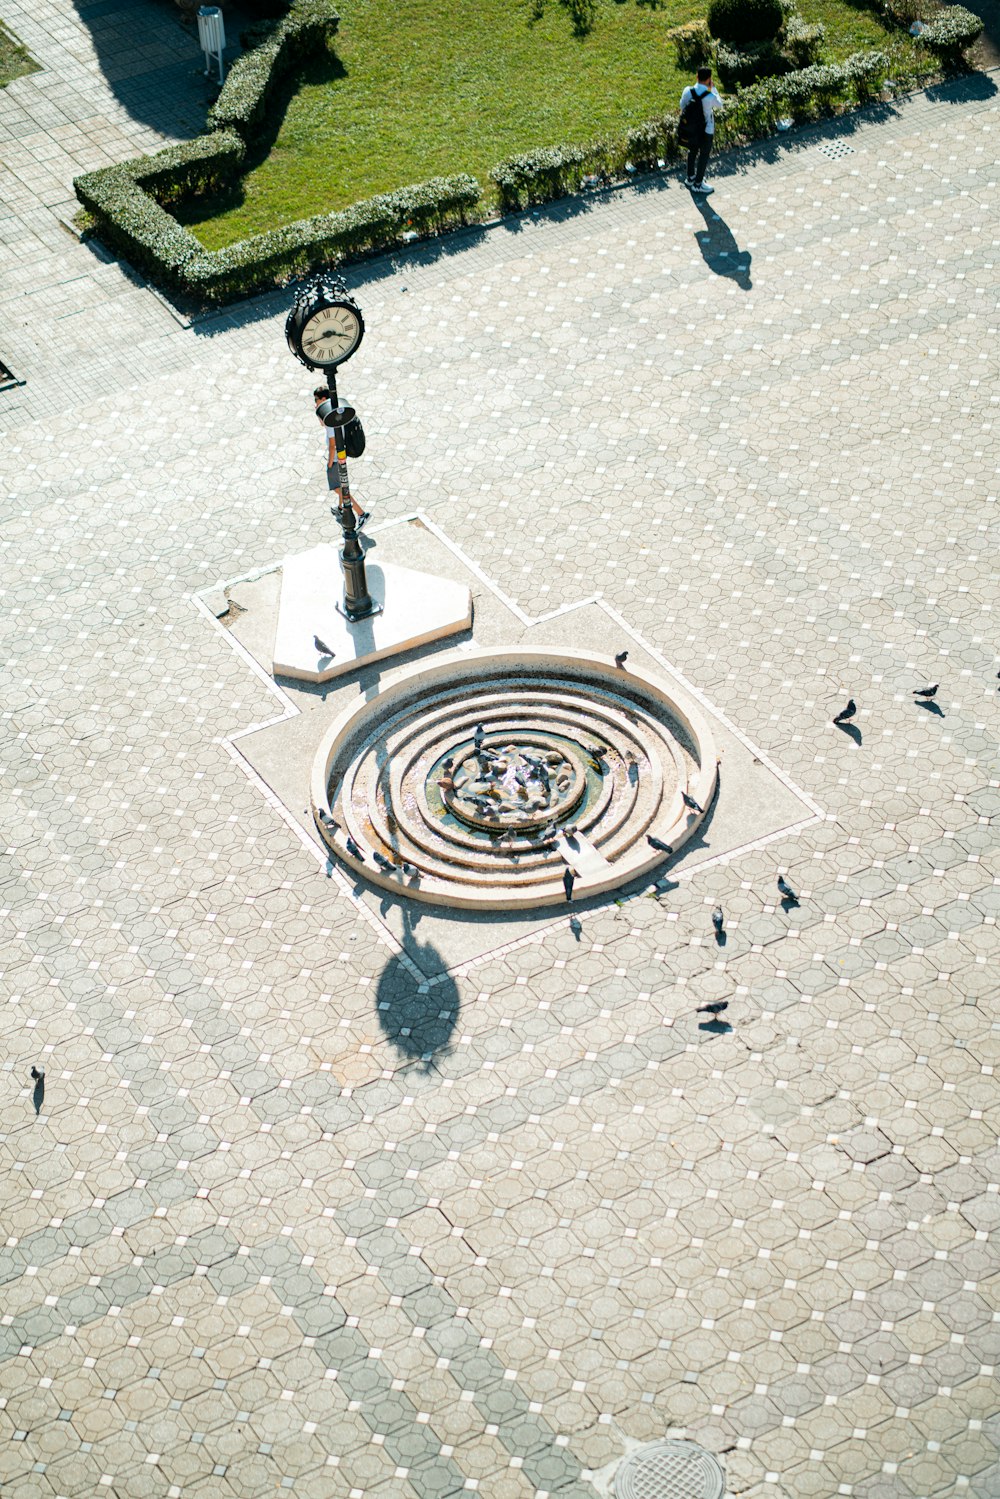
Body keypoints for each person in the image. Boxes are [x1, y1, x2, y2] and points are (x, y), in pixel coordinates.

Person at [314, 387, 369, 529]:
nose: (315, 404)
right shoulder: (335, 413)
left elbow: (332, 445)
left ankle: (362, 514)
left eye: (317, 400)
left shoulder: (330, 420)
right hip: (341, 455)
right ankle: (339, 508)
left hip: (336, 458)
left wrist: (330, 462)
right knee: (341, 485)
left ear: (324, 400)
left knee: (339, 488)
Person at [680, 68, 724, 195]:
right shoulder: (710, 96)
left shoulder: (687, 91)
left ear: (696, 76)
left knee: (692, 151)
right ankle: (698, 185)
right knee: (703, 155)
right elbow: (720, 105)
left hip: (691, 129)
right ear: (709, 79)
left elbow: (682, 106)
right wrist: (714, 89)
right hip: (706, 130)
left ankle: (690, 178)